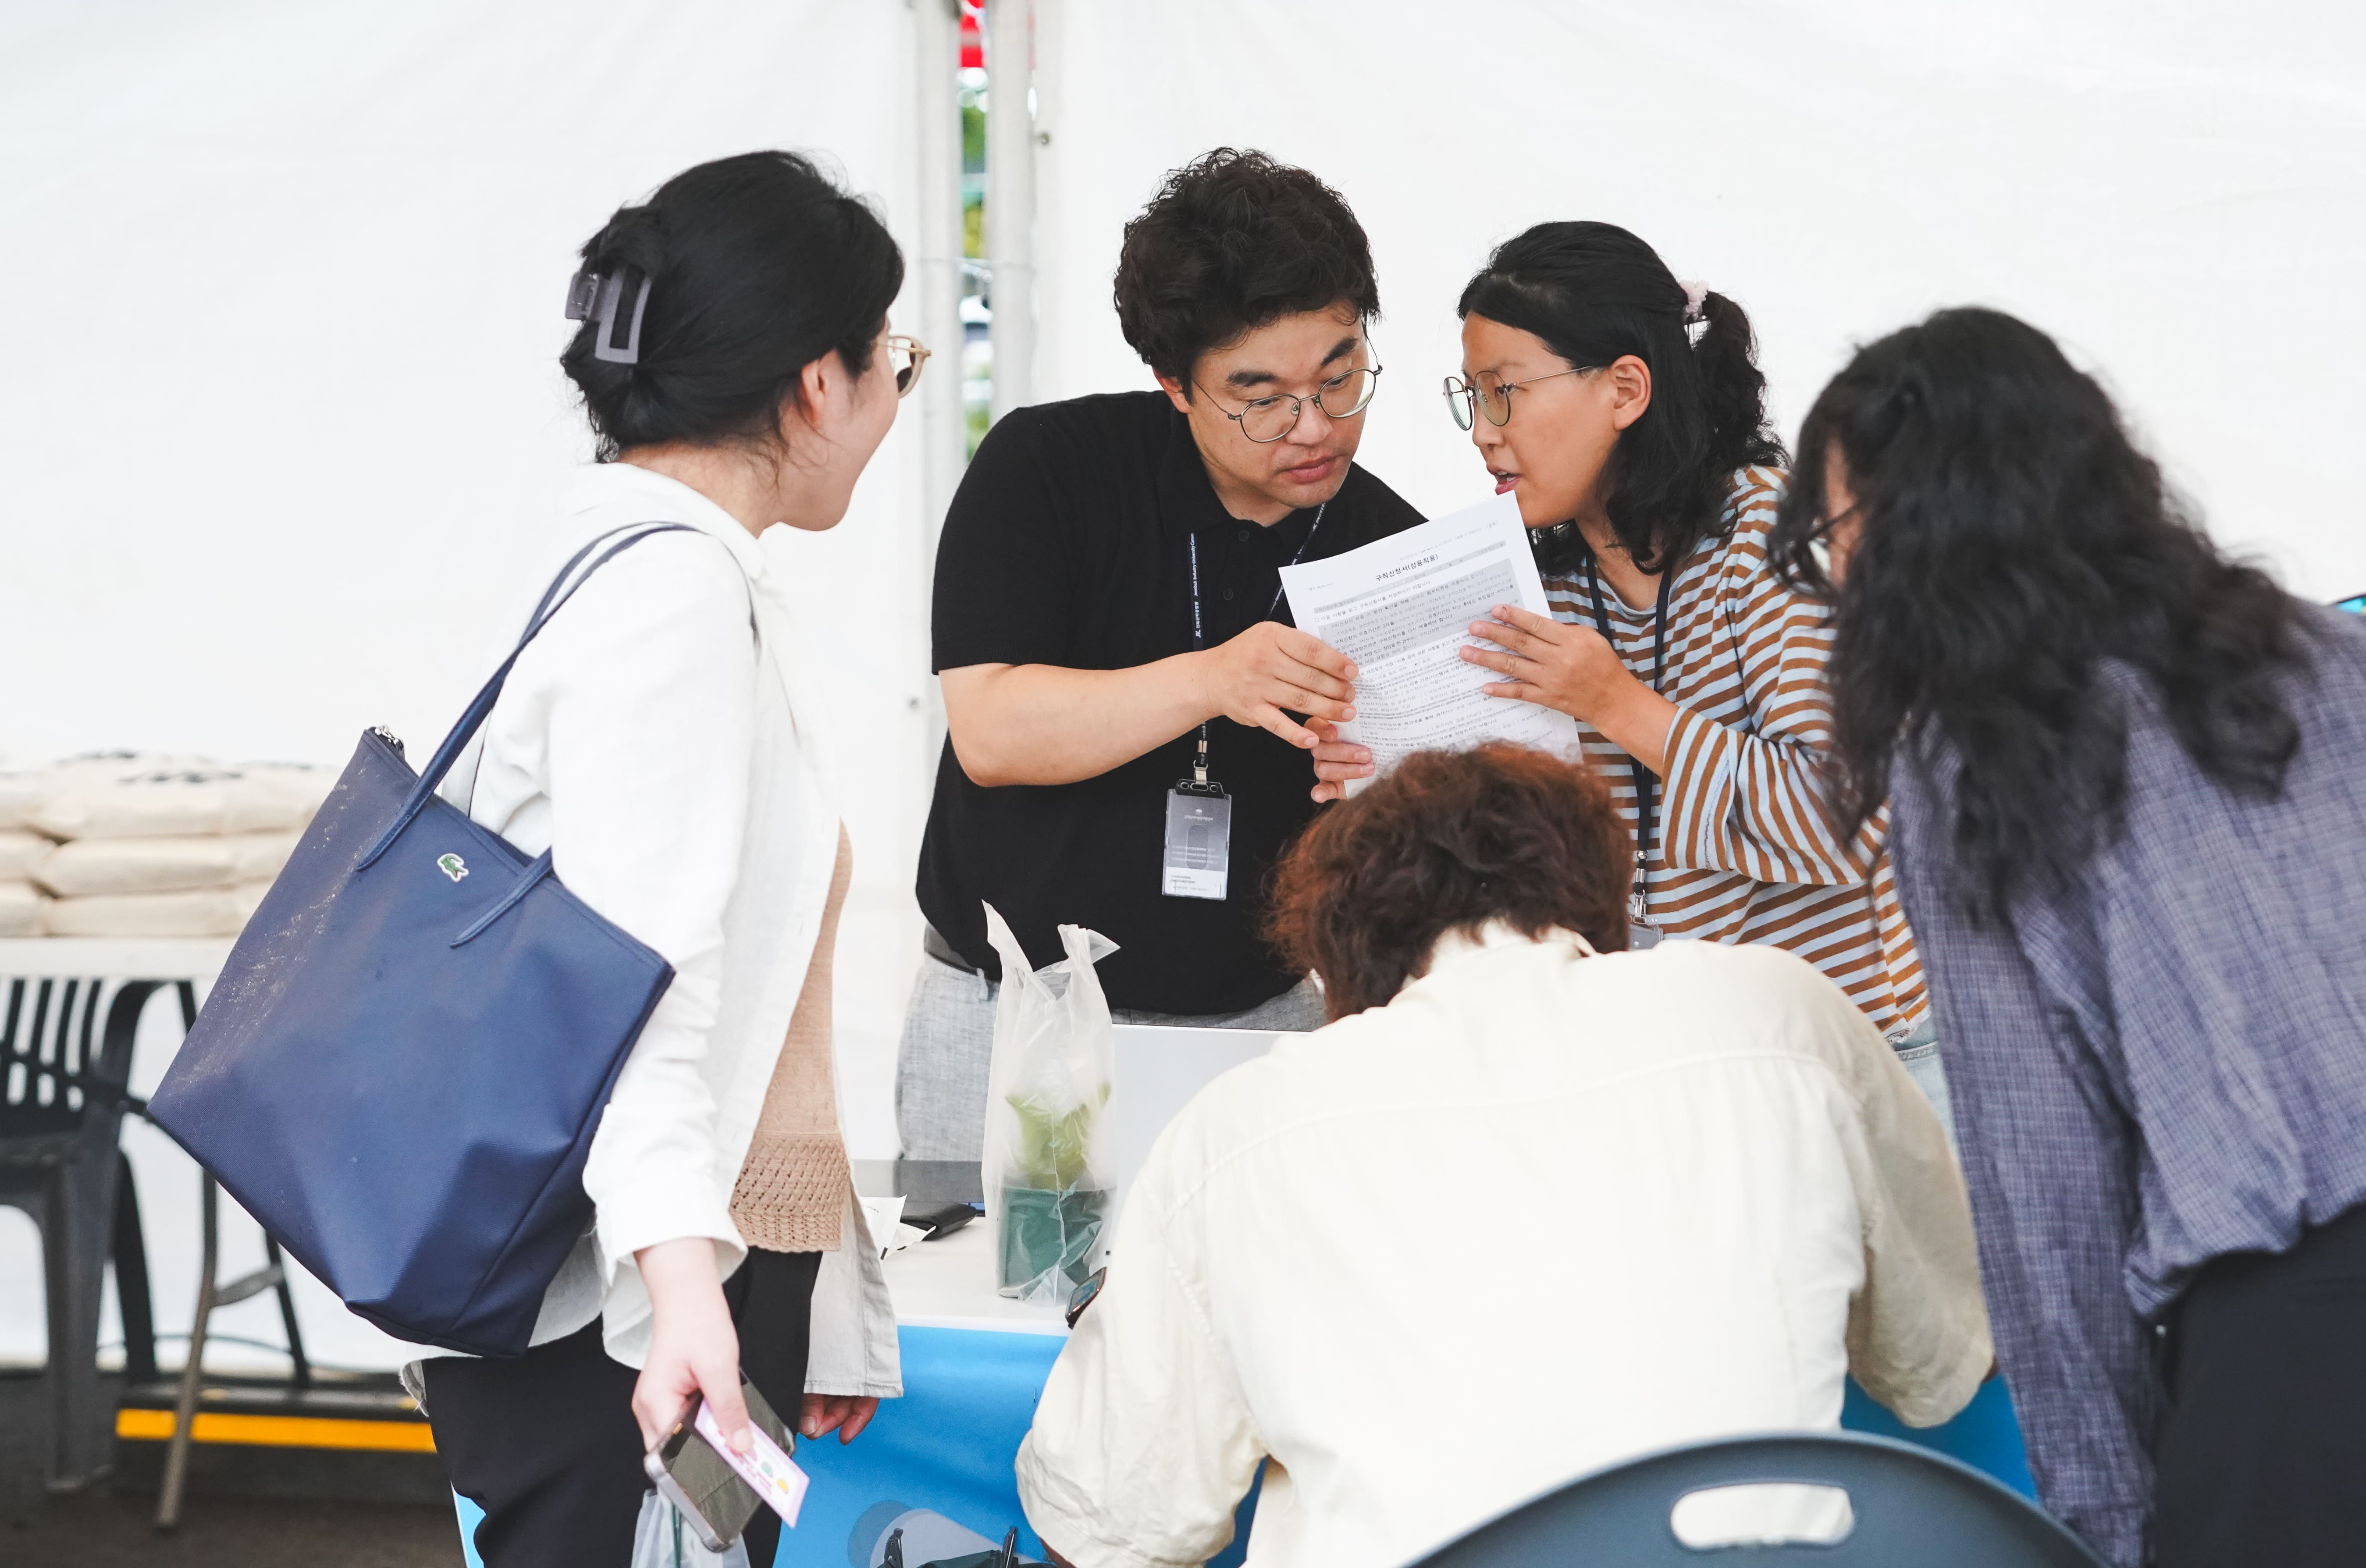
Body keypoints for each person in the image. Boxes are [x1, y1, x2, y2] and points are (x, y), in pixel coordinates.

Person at [1768, 306, 2366, 1568]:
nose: (1839, 579)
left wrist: (2109, 1522)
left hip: (2336, 1350)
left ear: (1922, 530)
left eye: (1840, 533)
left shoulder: (1981, 756)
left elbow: (2047, 1190)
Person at [1016, 743, 1990, 1568]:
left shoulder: (1240, 1131)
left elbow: (1107, 1529)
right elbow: (1944, 1363)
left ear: (1335, 959)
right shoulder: (1778, 1012)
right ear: (1602, 897)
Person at [420, 152, 909, 1568]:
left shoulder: (632, 563)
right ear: (817, 385)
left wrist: (815, 1290)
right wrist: (691, 1299)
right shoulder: (670, 601)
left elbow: (746, 997)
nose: (891, 404)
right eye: (894, 364)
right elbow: (636, 986)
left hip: (686, 1271)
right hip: (639, 1305)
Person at [1309, 222, 1937, 1114]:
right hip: (1670, 1069)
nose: (1482, 434)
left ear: (1626, 388)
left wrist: (1615, 703)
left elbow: (1846, 818)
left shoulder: (1774, 538)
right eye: (1471, 398)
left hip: (1854, 1059)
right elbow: (1524, 866)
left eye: (1504, 393)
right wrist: (1381, 776)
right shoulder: (1545, 588)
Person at [904, 148, 1424, 1157]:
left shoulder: (1391, 548)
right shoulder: (1048, 470)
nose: (1313, 426)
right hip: (1009, 1012)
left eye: (1340, 376)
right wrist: (1216, 679)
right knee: (982, 1262)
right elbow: (992, 732)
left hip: (1259, 1022)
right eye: (1260, 396)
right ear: (1174, 384)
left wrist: (1370, 786)